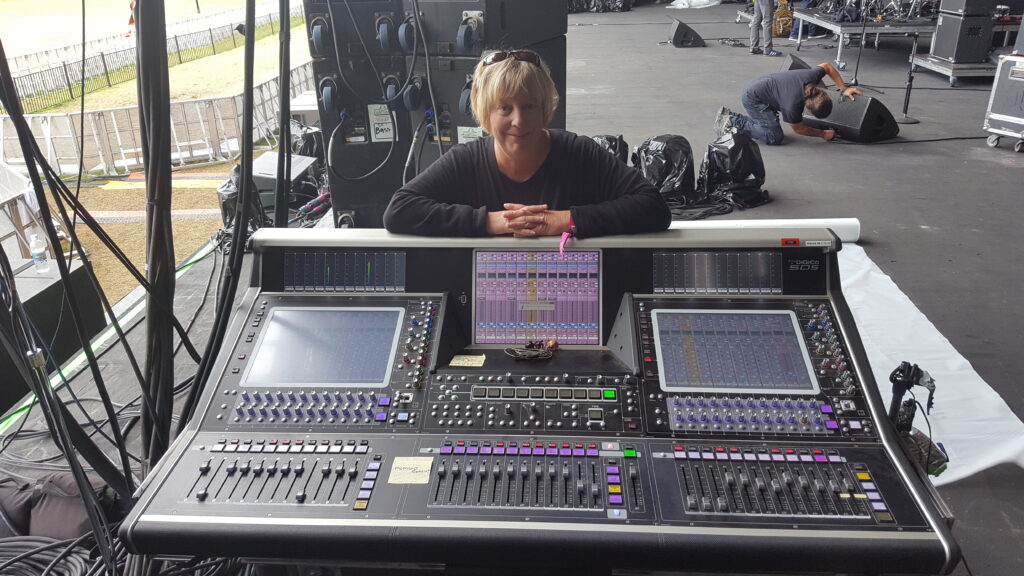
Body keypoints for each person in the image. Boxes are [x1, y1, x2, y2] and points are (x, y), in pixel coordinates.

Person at [383, 49, 671, 238]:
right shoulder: (465, 161)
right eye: (505, 108)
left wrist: (565, 221)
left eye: (530, 106)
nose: (519, 121)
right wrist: (490, 222)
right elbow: (399, 210)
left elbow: (653, 207)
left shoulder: (579, 153)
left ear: (545, 108)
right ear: (485, 112)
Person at [714, 62, 862, 145]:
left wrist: (844, 89)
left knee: (768, 125)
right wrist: (823, 134)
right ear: (807, 108)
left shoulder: (812, 76)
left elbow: (828, 66)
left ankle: (733, 117)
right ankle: (730, 121)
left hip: (764, 85)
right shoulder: (792, 106)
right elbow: (798, 129)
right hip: (753, 98)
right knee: (774, 136)